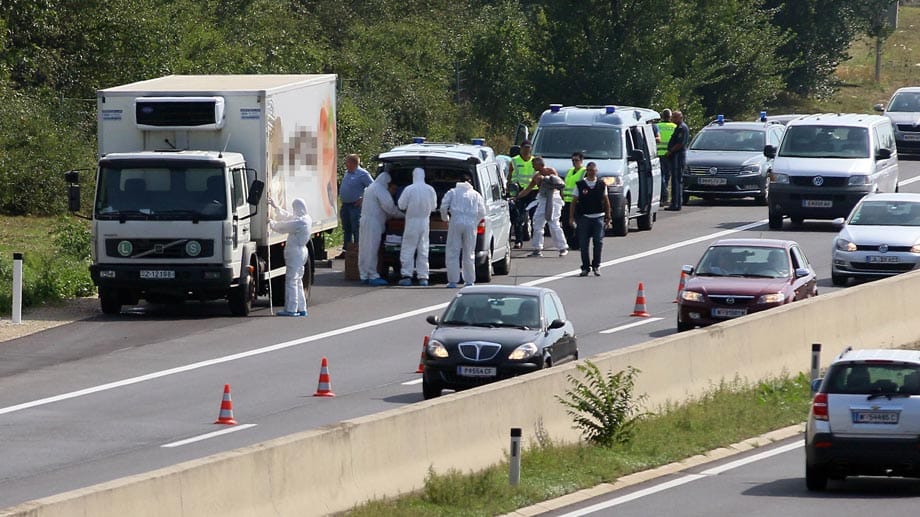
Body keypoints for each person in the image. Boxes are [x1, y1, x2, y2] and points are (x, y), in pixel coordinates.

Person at [268, 197, 312, 316]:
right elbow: (289, 217)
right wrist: (276, 207)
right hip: (302, 252)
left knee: (291, 280)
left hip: (295, 252)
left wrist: (272, 223)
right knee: (298, 280)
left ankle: (291, 309)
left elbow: (284, 226)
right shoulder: (306, 219)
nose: (293, 210)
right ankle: (302, 308)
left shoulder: (299, 222)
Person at [358, 171, 404, 286]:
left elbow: (382, 209)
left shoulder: (371, 188)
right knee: (372, 249)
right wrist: (403, 215)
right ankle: (373, 275)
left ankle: (364, 274)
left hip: (365, 221)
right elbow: (389, 208)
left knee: (364, 249)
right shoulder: (380, 189)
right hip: (373, 224)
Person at [440, 175, 486, 288]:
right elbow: (482, 211)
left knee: (453, 252)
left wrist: (446, 218)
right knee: (469, 252)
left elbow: (443, 207)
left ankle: (452, 281)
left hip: (456, 221)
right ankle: (469, 280)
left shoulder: (452, 192)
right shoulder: (475, 194)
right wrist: (475, 222)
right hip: (470, 224)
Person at [517, 157, 567, 257]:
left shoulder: (551, 171)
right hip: (543, 199)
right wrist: (516, 196)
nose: (532, 166)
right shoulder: (536, 176)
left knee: (554, 223)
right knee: (537, 222)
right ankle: (537, 248)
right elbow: (528, 189)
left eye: (534, 164)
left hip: (554, 198)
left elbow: (559, 185)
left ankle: (562, 247)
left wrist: (561, 196)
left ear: (539, 164)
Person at [568, 161, 611, 277]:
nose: (592, 173)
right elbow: (573, 202)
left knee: (598, 242)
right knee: (583, 244)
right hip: (584, 218)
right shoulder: (580, 185)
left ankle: (596, 265)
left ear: (597, 171)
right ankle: (585, 268)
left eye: (594, 171)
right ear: (586, 171)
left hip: (598, 217)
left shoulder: (602, 185)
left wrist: (608, 217)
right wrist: (571, 217)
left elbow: (606, 201)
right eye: (590, 170)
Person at [397, 167, 437, 286]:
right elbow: (434, 207)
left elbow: (401, 205)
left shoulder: (409, 189)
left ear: (414, 176)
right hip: (425, 222)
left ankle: (406, 275)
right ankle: (423, 276)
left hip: (411, 222)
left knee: (408, 249)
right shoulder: (430, 189)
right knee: (423, 249)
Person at [338, 154, 373, 258]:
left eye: (347, 162)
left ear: (353, 163)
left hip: (355, 206)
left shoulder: (363, 174)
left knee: (356, 228)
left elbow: (373, 187)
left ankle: (358, 250)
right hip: (345, 205)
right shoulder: (347, 173)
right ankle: (346, 250)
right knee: (346, 228)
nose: (346, 164)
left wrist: (363, 198)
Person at [508, 140, 537, 248]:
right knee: (518, 217)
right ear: (521, 148)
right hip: (519, 191)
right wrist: (509, 190)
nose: (526, 150)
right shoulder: (514, 160)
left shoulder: (535, 161)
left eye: (528, 147)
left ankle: (536, 241)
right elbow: (510, 176)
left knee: (535, 217)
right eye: (525, 147)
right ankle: (518, 241)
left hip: (533, 191)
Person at [561, 152, 586, 251]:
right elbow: (565, 184)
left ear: (581, 161)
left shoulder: (584, 172)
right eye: (573, 160)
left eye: (576, 160)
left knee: (577, 224)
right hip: (567, 201)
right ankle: (571, 242)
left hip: (577, 202)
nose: (574, 162)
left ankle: (578, 243)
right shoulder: (569, 171)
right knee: (566, 224)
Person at [664, 110, 689, 211]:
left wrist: (670, 151)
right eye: (672, 117)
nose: (672, 119)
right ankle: (674, 202)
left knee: (677, 181)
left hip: (678, 157)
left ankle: (677, 204)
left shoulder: (682, 128)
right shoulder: (678, 128)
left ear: (680, 118)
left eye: (675, 117)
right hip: (675, 157)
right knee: (674, 181)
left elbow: (679, 144)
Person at [656, 109, 676, 207]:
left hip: (659, 153)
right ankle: (664, 196)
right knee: (667, 176)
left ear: (662, 116)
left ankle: (663, 196)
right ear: (670, 116)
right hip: (670, 154)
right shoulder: (674, 127)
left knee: (661, 176)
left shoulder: (657, 126)